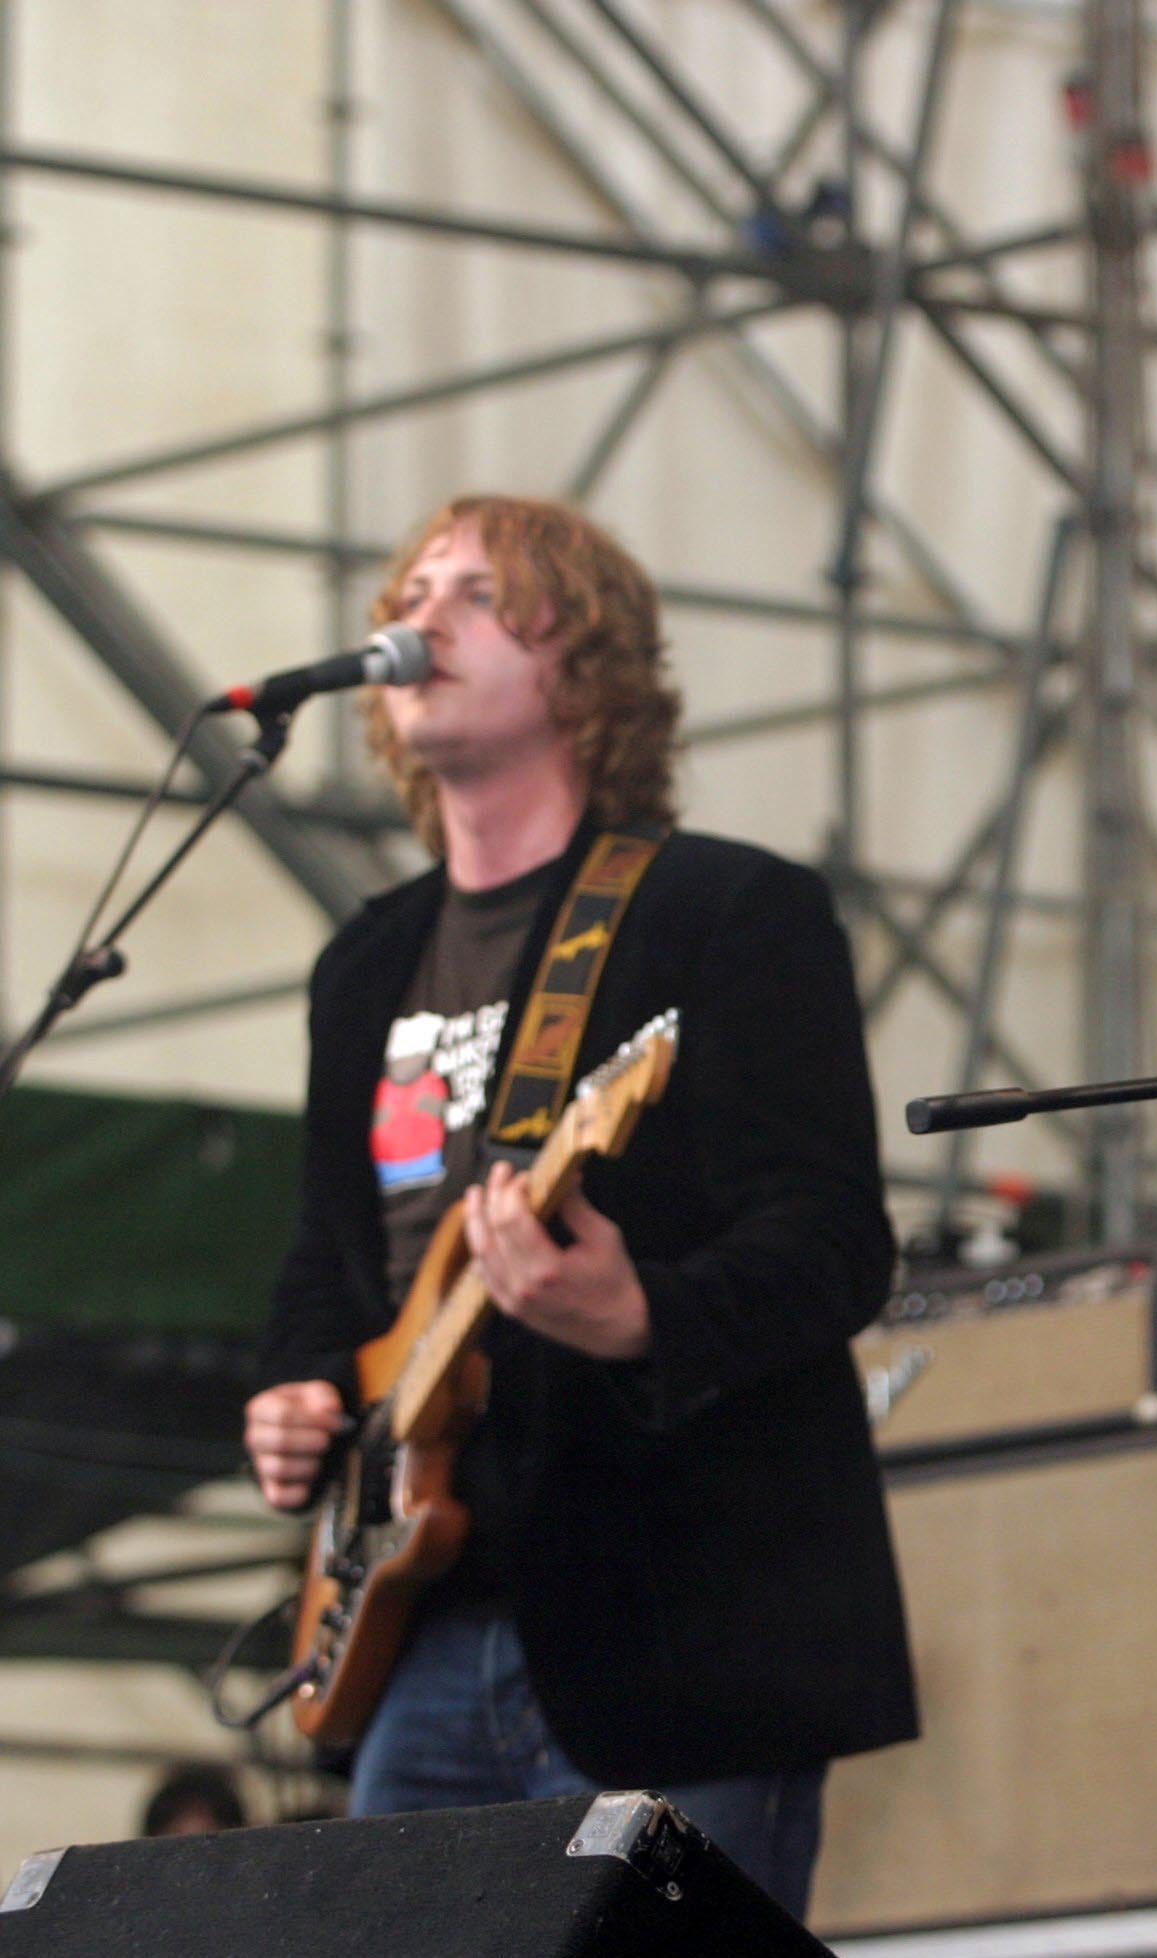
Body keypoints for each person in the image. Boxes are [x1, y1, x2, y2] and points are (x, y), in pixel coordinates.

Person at [240, 496, 915, 1913]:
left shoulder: (720, 912)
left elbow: (837, 1243)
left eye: (477, 595)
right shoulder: (365, 962)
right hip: (419, 1621)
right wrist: (300, 1390)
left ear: (587, 665)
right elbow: (329, 1255)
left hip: (679, 1628)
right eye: (411, 589)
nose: (419, 618)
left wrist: (639, 1311)